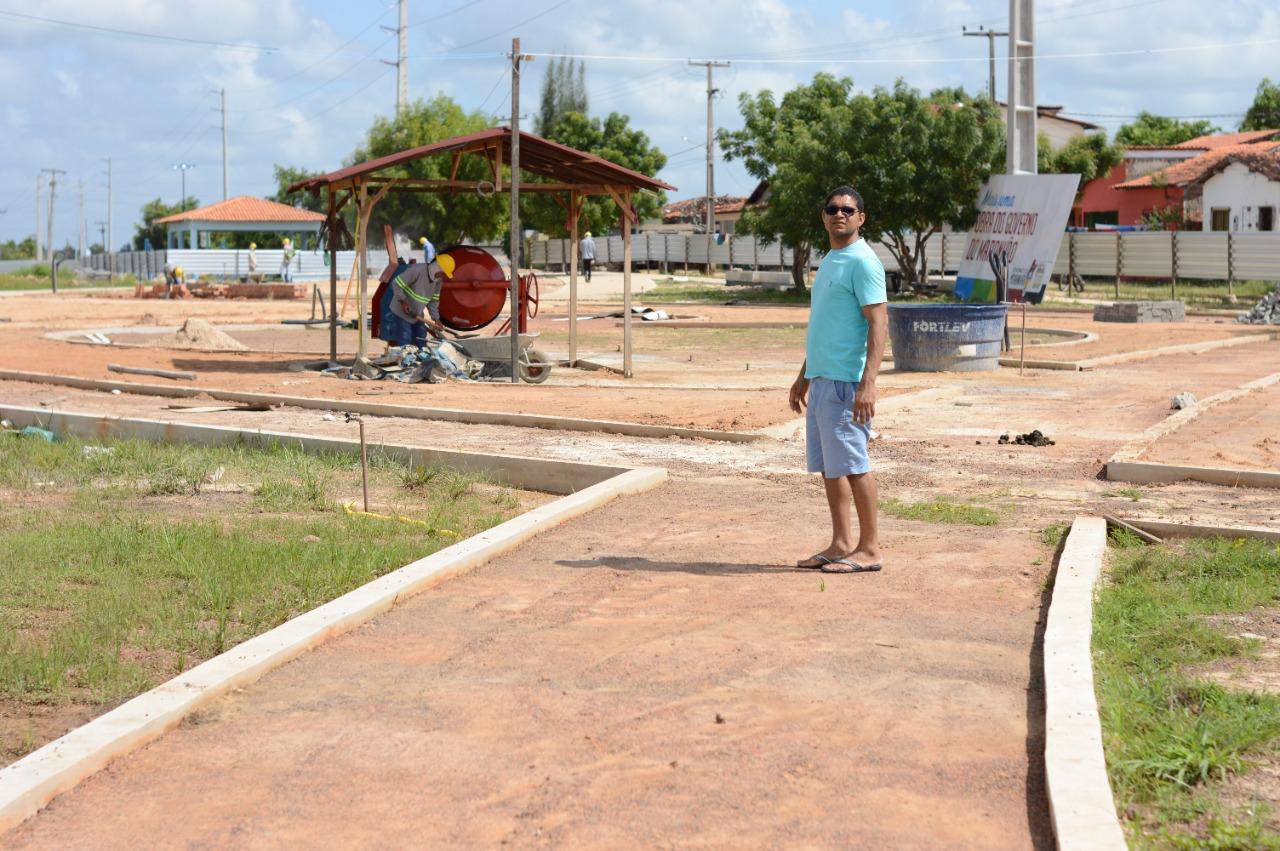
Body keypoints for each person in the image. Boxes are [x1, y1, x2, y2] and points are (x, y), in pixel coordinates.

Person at [790, 186, 888, 575]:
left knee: (854, 464)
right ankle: (842, 543)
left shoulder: (864, 262)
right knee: (831, 468)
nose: (839, 214)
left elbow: (878, 321)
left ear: (861, 217)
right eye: (832, 208)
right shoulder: (831, 260)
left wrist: (869, 383)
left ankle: (870, 549)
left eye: (848, 209)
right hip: (823, 380)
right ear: (824, 216)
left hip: (848, 383)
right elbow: (824, 327)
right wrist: (804, 375)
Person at [387, 252, 456, 348]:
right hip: (401, 311)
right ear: (437, 267)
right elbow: (396, 283)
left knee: (421, 338)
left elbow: (434, 301)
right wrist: (403, 302)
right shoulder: (417, 270)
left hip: (417, 314)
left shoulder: (438, 281)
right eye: (443, 272)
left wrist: (436, 319)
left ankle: (420, 359)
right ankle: (405, 360)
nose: (443, 276)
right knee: (405, 338)